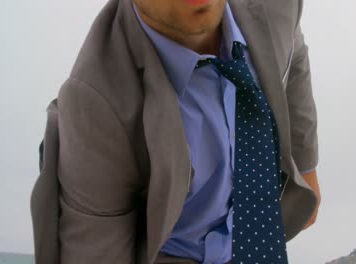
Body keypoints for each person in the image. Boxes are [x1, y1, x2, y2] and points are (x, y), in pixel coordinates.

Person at [30, 0, 321, 263]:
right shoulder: (95, 104)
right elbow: (96, 252)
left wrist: (306, 165)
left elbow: (293, 52)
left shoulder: (277, 6)